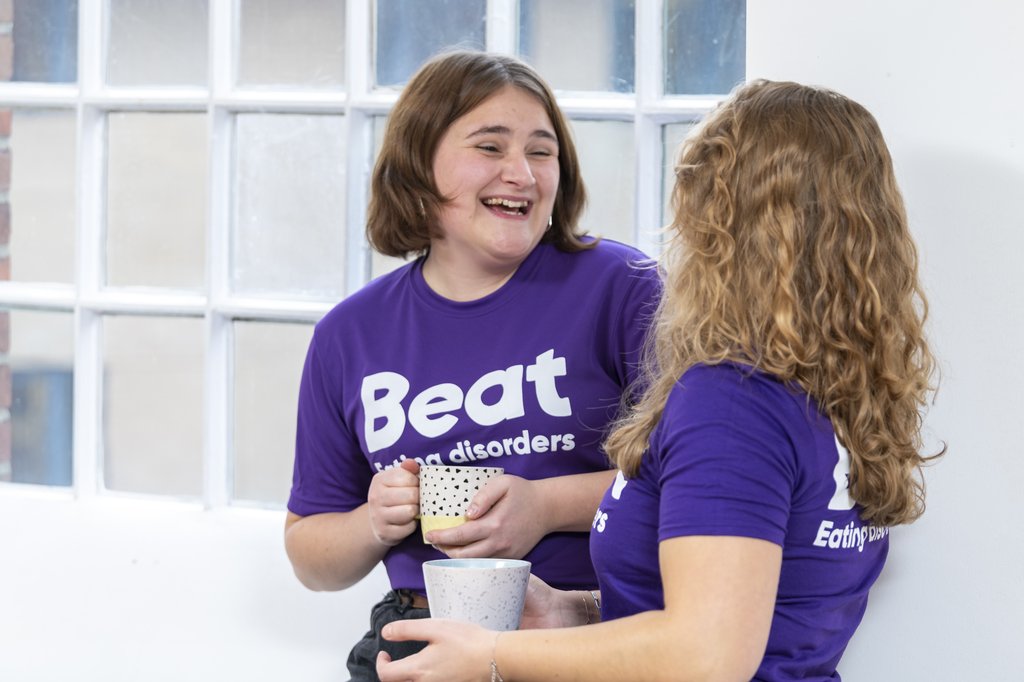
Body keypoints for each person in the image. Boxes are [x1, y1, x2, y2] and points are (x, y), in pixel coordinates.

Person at [375, 79, 945, 681]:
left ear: (722, 221)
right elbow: (743, 610)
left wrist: (490, 655)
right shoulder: (833, 388)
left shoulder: (731, 403)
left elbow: (707, 653)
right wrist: (572, 611)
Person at [283, 50, 661, 681]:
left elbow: (699, 486)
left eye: (541, 152)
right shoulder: (348, 336)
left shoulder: (624, 289)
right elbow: (311, 557)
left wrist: (543, 505)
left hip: (584, 627)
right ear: (417, 167)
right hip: (418, 634)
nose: (522, 173)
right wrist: (373, 521)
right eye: (490, 147)